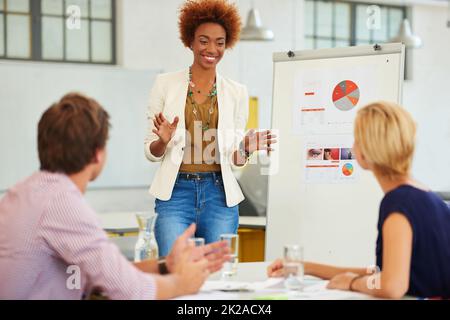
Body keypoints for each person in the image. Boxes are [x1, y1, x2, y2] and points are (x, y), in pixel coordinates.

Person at [0, 93, 229, 300]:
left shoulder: (23, 193)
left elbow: (103, 275)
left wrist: (165, 266)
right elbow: (132, 292)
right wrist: (181, 283)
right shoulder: (61, 204)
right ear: (97, 155)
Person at [267, 101, 450, 299]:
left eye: (356, 139)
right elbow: (383, 273)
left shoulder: (399, 203)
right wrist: (303, 267)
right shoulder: (427, 197)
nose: (353, 146)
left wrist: (353, 283)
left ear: (368, 149)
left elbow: (392, 285)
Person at [144, 0, 276, 256]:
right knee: (172, 267)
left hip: (219, 195)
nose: (211, 48)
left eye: (220, 42)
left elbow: (235, 162)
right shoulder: (164, 84)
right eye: (204, 41)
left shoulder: (237, 92)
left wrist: (246, 148)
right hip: (175, 193)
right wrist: (162, 140)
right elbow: (151, 152)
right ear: (190, 41)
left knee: (219, 272)